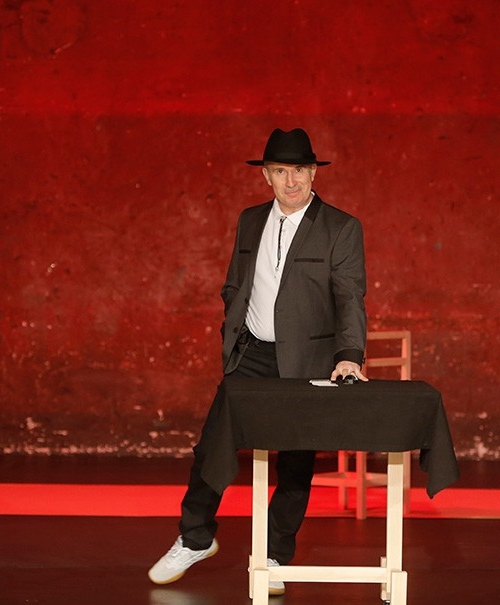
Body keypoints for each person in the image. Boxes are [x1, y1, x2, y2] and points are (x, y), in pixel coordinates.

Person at [148, 127, 368, 596]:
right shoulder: (250, 221)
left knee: (295, 465)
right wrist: (233, 330)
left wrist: (349, 356)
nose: (292, 181)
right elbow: (235, 283)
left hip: (308, 362)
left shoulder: (341, 227)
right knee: (212, 448)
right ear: (266, 176)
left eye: (300, 170)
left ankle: (273, 556)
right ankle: (195, 538)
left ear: (314, 173)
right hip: (250, 356)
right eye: (281, 171)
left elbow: (350, 297)